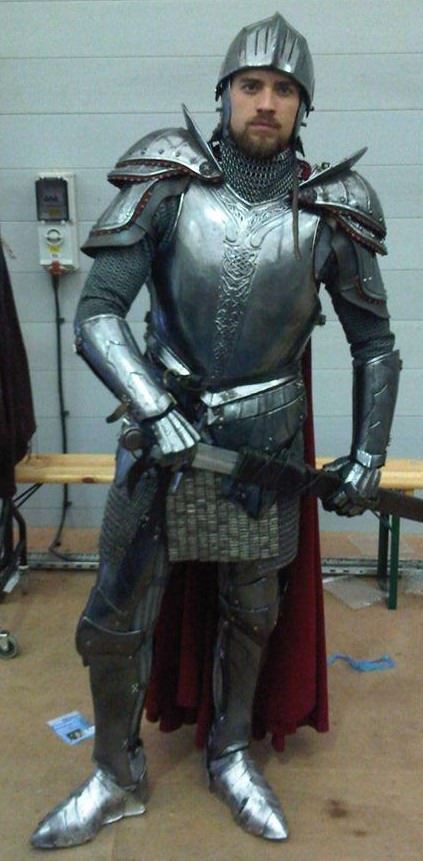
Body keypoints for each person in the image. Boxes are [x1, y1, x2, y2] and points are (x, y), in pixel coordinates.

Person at [31, 12, 400, 849]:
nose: (265, 102)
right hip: (159, 446)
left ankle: (231, 754)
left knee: (250, 614)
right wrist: (153, 407)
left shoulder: (331, 209)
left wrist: (368, 453)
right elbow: (98, 312)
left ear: (303, 106)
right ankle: (114, 774)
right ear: (224, 93)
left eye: (283, 90)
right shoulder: (167, 181)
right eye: (251, 86)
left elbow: (374, 344)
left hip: (261, 453)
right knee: (112, 622)